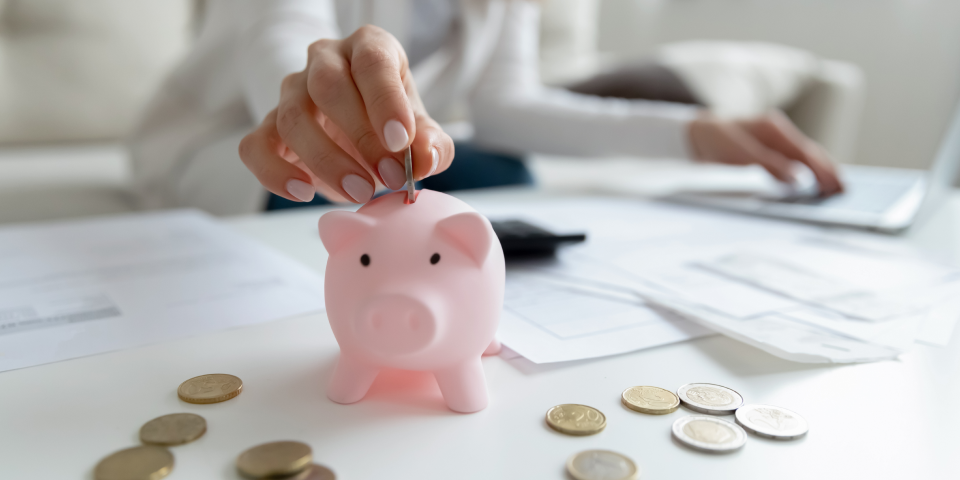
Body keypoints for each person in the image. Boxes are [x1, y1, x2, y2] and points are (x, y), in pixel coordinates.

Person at [129, 0, 842, 215]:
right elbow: (277, 35)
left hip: (377, 158)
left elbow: (509, 107)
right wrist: (319, 85)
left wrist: (695, 133)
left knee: (507, 174)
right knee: (315, 195)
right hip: (226, 142)